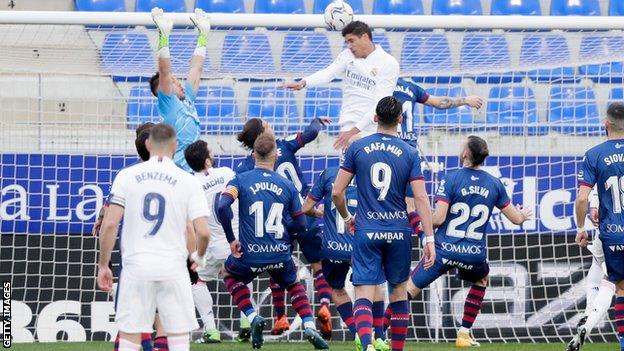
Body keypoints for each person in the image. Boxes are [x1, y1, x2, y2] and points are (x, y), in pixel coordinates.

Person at [404, 135, 531, 348]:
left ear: (465, 154)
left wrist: (416, 215)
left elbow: (438, 219)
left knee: (406, 291)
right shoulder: (495, 184)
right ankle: (463, 334)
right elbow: (516, 219)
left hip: (443, 251)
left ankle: (375, 332)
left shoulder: (451, 178)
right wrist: (523, 215)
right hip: (473, 254)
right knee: (481, 281)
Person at [332, 96, 435, 351]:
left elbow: (336, 192)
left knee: (364, 292)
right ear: (400, 120)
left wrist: (347, 218)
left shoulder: (357, 147)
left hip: (367, 229)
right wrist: (429, 238)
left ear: (375, 118)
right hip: (399, 231)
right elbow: (420, 197)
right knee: (399, 292)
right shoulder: (410, 152)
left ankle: (367, 345)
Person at [97, 123, 211, 351]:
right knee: (176, 339)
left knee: (129, 339)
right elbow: (201, 232)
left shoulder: (127, 176)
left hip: (136, 267)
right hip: (173, 268)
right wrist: (197, 257)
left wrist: (103, 265)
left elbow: (110, 224)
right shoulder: (188, 180)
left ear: (148, 144)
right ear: (175, 145)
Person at [217, 133, 329, 350]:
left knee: (228, 274)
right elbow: (300, 225)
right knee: (293, 284)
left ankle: (252, 316)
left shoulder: (239, 179)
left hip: (250, 255)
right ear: (276, 157)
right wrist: (285, 238)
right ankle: (308, 325)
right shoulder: (287, 186)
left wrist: (232, 239)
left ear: (253, 154)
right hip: (279, 253)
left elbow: (222, 206)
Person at [285, 21, 399, 149]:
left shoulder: (388, 63)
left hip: (376, 127)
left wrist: (354, 131)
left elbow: (381, 103)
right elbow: (328, 72)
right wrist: (304, 82)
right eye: (347, 42)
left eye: (352, 41)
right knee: (349, 165)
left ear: (365, 37)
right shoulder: (347, 56)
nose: (349, 46)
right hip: (349, 123)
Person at [183, 140, 249, 344]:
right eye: (211, 153)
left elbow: (190, 222)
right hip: (236, 241)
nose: (214, 154)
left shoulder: (190, 184)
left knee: (196, 281)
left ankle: (211, 330)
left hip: (211, 246)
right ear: (207, 161)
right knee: (244, 278)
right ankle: (247, 323)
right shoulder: (227, 173)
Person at [575, 102, 624, 351]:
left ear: (605, 124)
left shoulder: (594, 154)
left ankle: (589, 320)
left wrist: (580, 227)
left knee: (616, 284)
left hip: (612, 233)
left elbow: (582, 198)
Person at [149, 7, 210, 171]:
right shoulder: (168, 104)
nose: (180, 83)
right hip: (179, 172)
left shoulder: (187, 99)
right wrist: (164, 36)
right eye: (174, 82)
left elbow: (196, 69)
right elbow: (165, 71)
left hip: (197, 171)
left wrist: (203, 35)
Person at [567, 187, 616, 351]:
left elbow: (583, 197)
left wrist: (594, 205)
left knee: (597, 265)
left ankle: (588, 313)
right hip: (619, 225)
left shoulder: (598, 160)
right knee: (614, 282)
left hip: (604, 224)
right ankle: (589, 322)